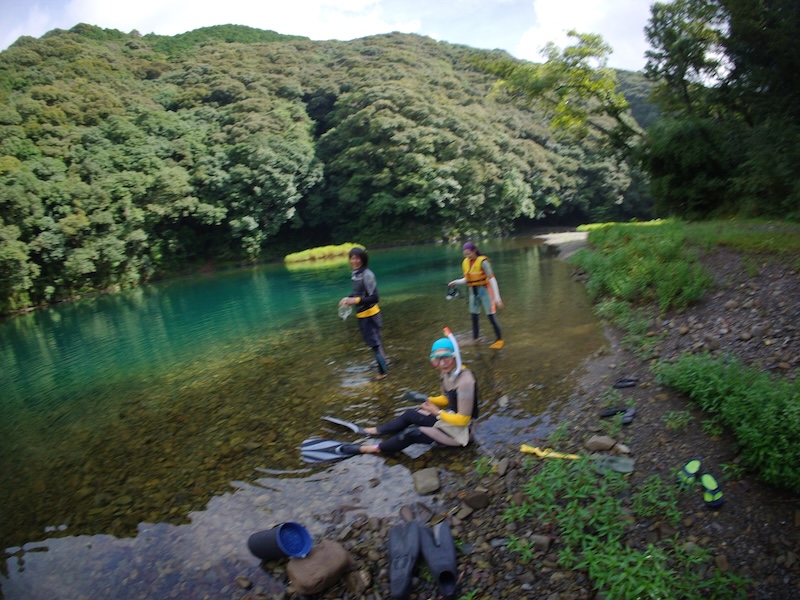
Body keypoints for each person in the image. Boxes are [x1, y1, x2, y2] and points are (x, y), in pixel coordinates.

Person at [341, 336, 478, 455]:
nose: (442, 364)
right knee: (410, 414)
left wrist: (437, 412)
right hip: (450, 420)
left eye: (446, 358)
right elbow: (447, 399)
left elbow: (463, 420)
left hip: (462, 432)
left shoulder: (465, 382)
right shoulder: (445, 372)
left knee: (411, 434)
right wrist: (427, 399)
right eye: (436, 360)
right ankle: (372, 431)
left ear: (455, 356)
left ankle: (372, 448)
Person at [339, 247, 389, 380]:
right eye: (352, 258)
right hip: (363, 316)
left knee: (375, 344)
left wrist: (354, 300)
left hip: (371, 316)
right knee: (374, 344)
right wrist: (347, 299)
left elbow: (375, 297)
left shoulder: (367, 275)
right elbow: (358, 293)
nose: (354, 261)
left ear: (363, 259)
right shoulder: (356, 274)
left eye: (357, 258)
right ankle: (382, 365)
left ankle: (382, 373)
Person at [448, 241, 504, 349]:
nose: (467, 256)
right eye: (465, 254)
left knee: (491, 317)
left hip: (485, 292)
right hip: (473, 293)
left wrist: (497, 297)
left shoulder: (483, 262)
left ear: (474, 251)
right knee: (474, 317)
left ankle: (499, 340)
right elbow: (467, 279)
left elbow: (492, 279)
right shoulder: (466, 262)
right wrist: (456, 282)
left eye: (469, 253)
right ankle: (476, 339)